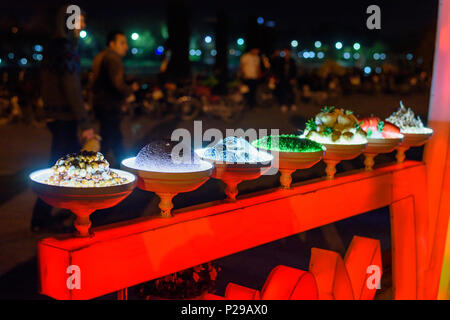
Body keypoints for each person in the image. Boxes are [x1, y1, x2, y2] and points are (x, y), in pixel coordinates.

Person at [31, 5, 95, 232]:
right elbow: (71, 88)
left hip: (55, 115)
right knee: (61, 167)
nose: (84, 25)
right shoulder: (65, 48)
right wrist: (85, 124)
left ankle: (51, 214)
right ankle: (42, 217)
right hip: (64, 117)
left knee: (62, 166)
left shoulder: (53, 46)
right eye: (80, 20)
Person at [91, 31, 139, 165]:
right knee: (112, 138)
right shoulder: (113, 59)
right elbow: (117, 84)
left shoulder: (101, 56)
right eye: (122, 43)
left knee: (110, 137)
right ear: (112, 44)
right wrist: (130, 89)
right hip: (110, 105)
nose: (126, 47)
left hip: (101, 104)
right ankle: (121, 166)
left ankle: (114, 163)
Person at [272, 47, 297, 112]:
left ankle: (292, 104)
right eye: (285, 52)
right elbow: (277, 70)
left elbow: (294, 70)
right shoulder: (280, 60)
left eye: (288, 51)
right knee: (282, 92)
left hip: (290, 78)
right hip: (282, 79)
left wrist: (293, 78)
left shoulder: (292, 61)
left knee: (291, 92)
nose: (286, 53)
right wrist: (277, 78)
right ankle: (283, 104)